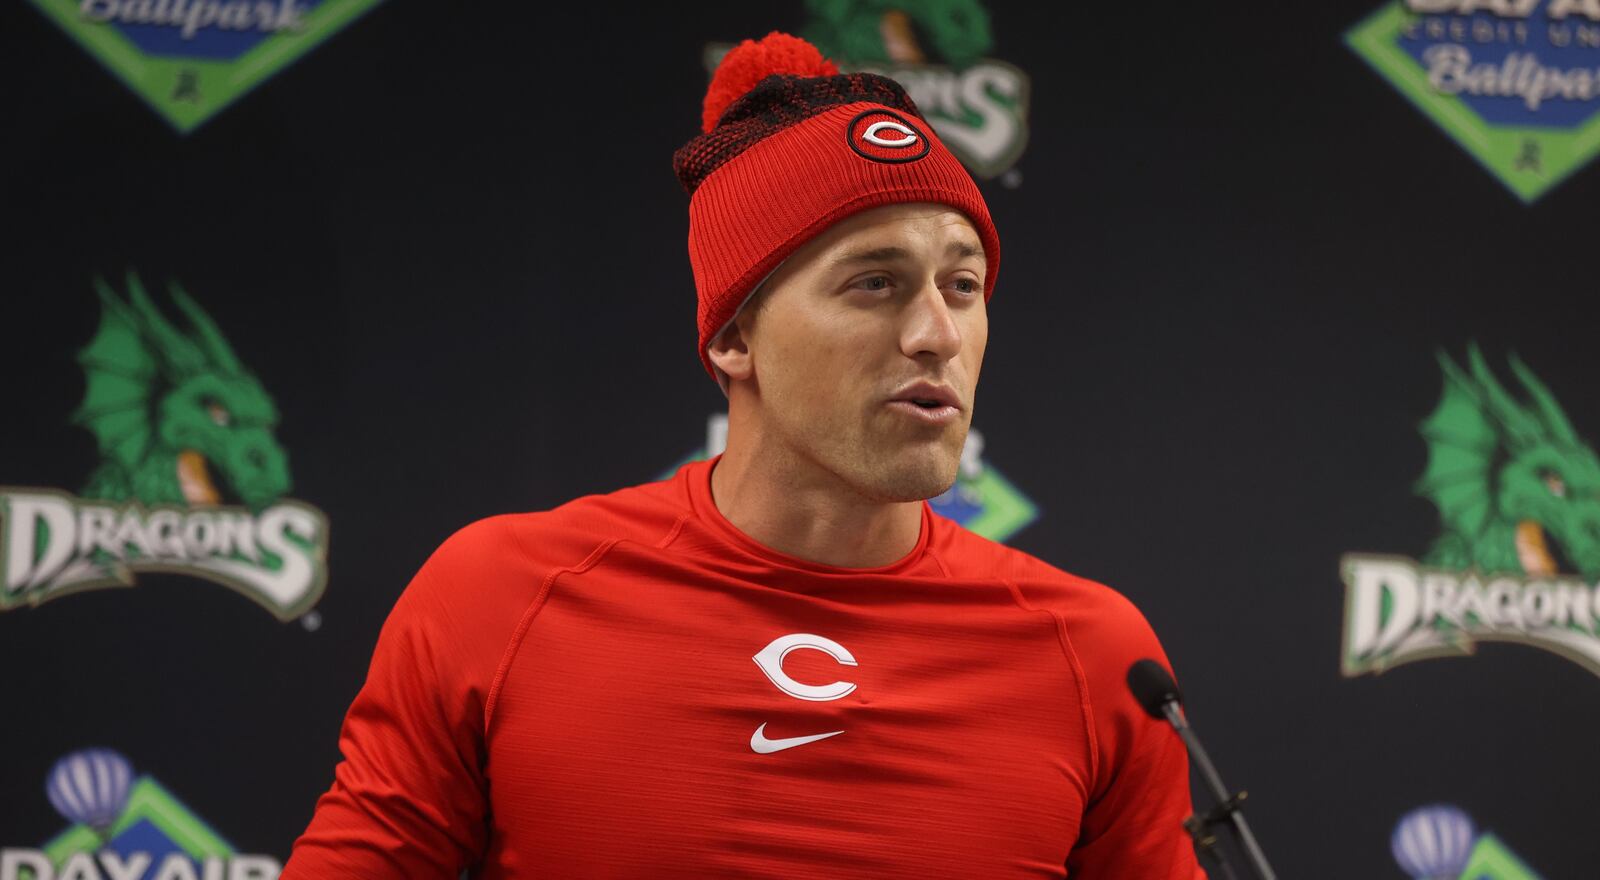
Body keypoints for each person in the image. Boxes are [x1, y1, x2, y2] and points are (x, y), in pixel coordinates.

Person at [282, 31, 1203, 879]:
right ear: (733, 337)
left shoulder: (1099, 660)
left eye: (963, 285)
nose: (938, 334)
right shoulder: (501, 595)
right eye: (875, 282)